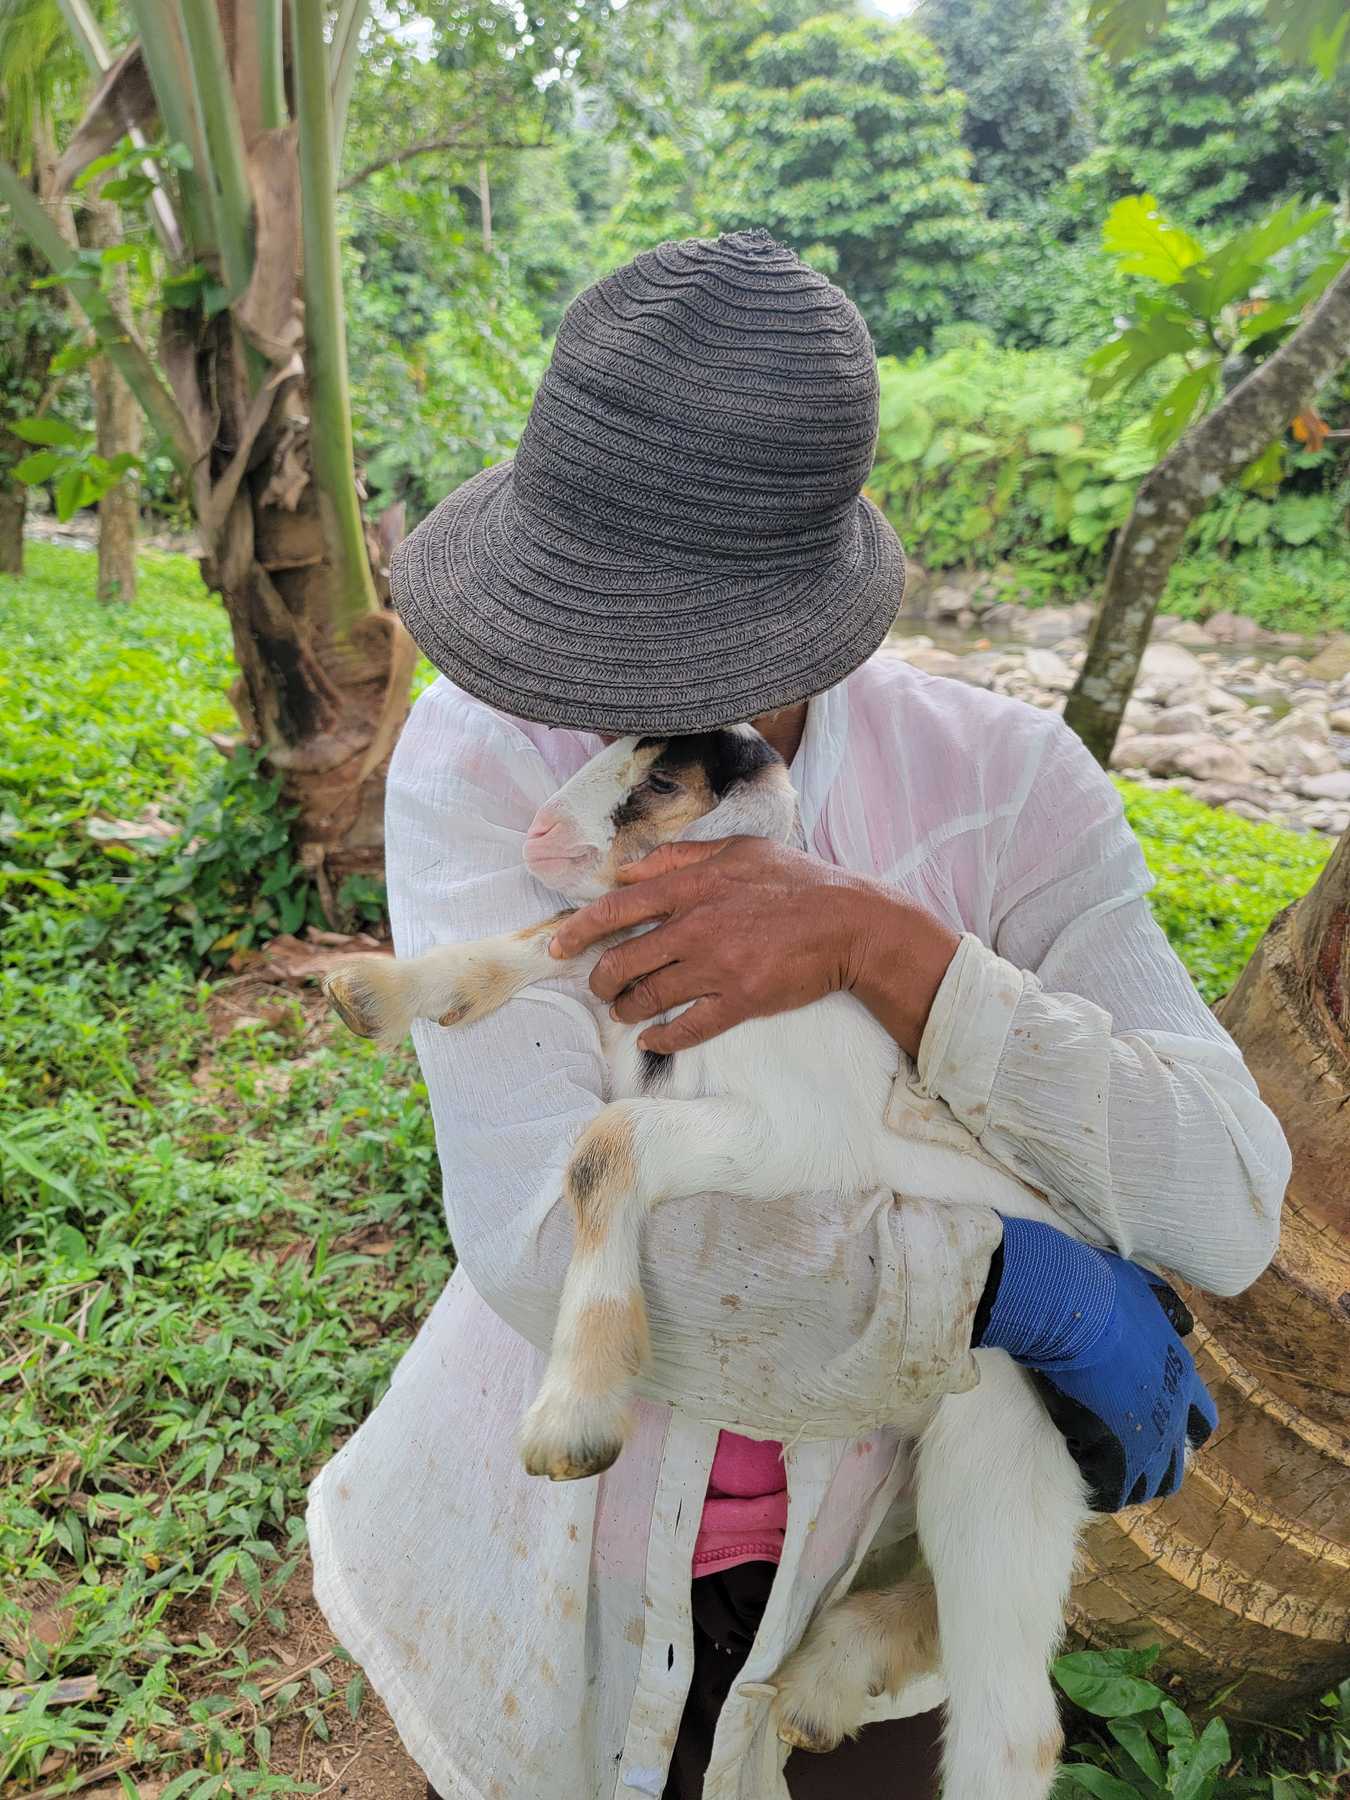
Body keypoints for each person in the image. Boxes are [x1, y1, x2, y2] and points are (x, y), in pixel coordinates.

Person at [308, 231, 1289, 1800]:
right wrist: (1003, 1280)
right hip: (557, 1551)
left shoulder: (1002, 796)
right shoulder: (488, 760)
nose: (586, 696)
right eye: (574, 633)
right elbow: (526, 1227)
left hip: (864, 1575)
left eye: (653, 652)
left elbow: (1227, 1205)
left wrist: (893, 954)